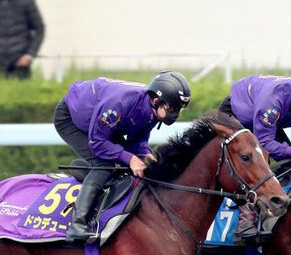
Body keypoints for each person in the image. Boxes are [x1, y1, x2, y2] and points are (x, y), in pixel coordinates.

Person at [54, 72, 191, 243]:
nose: (176, 113)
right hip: (72, 120)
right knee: (103, 163)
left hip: (102, 124)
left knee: (135, 163)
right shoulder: (120, 104)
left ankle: (89, 175)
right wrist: (132, 159)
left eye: (179, 109)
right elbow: (97, 142)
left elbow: (138, 142)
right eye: (172, 108)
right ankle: (78, 224)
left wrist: (145, 156)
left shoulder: (153, 109)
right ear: (156, 101)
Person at [219, 63, 291, 244]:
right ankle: (245, 224)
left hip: (266, 122)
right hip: (239, 115)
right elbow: (265, 144)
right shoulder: (273, 101)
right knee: (256, 165)